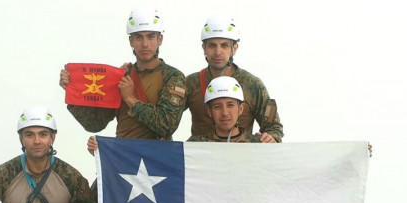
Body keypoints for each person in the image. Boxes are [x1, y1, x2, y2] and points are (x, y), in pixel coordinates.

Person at [59, 7, 187, 154]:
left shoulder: (173, 77)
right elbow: (95, 124)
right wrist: (73, 90)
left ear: (160, 39)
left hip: (157, 159)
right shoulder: (120, 76)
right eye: (138, 37)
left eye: (150, 36)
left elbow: (167, 125)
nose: (145, 44)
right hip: (123, 158)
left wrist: (131, 100)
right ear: (131, 41)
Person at [185, 15, 282, 143]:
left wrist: (271, 137)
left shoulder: (253, 85)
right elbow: (168, 122)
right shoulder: (191, 83)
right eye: (212, 45)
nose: (218, 52)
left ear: (234, 48)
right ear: (204, 48)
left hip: (241, 157)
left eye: (224, 45)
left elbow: (273, 127)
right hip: (202, 159)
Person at [188, 76, 263, 143]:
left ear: (240, 109)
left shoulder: (258, 144)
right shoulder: (196, 145)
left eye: (230, 105)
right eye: (217, 106)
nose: (225, 113)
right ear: (210, 111)